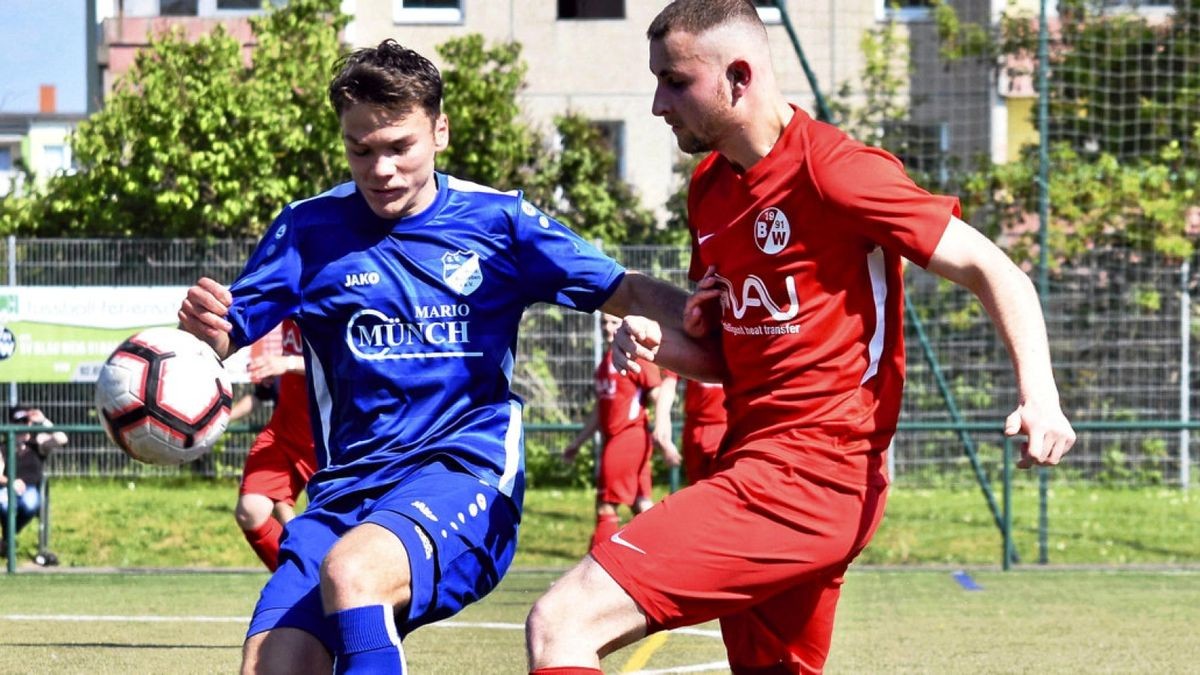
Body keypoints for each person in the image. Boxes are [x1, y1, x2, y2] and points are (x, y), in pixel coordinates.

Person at [524, 2, 1078, 673]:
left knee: (562, 622)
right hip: (758, 464)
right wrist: (656, 342)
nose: (656, 104)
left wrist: (1040, 396)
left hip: (813, 476)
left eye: (675, 82)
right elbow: (726, 358)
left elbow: (995, 268)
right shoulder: (709, 190)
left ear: (737, 76)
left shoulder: (836, 171)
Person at [176, 39, 683, 673]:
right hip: (343, 495)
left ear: (439, 130)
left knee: (356, 571)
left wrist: (713, 328)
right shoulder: (307, 230)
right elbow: (227, 332)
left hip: (462, 475)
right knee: (272, 665)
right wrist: (203, 330)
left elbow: (625, 288)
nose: (380, 168)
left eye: (399, 147)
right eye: (361, 149)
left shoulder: (500, 223)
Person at [562, 313, 681, 551]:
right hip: (617, 440)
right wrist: (578, 442)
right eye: (604, 322)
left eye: (614, 322)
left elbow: (658, 394)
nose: (608, 327)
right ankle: (669, 555)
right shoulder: (606, 363)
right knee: (641, 505)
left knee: (606, 507)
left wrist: (663, 434)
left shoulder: (636, 360)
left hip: (628, 438)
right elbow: (600, 410)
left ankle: (592, 575)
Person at [228, 318, 317, 572]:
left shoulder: (336, 297)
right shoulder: (291, 301)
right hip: (282, 433)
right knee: (251, 511)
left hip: (324, 443)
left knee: (338, 538)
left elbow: (344, 361)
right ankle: (298, 584)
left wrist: (286, 363)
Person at [0, 406, 68, 558]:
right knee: (3, 504)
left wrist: (43, 420)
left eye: (25, 421)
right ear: (11, 423)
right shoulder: (4, 447)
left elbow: (62, 438)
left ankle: (6, 540)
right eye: (18, 422)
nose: (23, 426)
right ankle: (7, 540)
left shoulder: (37, 442)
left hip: (31, 489)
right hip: (7, 489)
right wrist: (11, 482)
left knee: (30, 504)